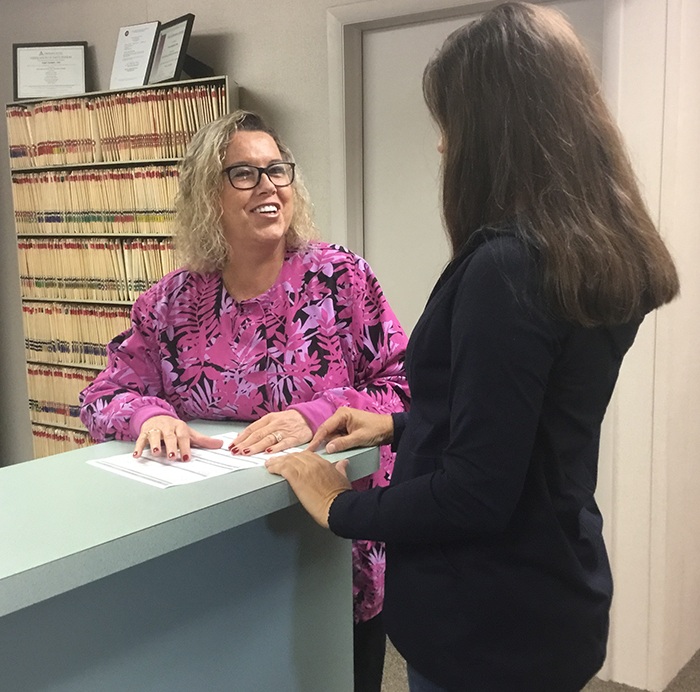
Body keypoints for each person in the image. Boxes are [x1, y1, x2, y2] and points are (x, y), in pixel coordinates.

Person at [264, 3, 681, 691]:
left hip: (487, 620)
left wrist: (339, 503)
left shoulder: (510, 265)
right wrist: (402, 422)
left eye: (450, 124)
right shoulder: (596, 250)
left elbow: (475, 493)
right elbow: (530, 415)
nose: (441, 146)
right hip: (553, 587)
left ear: (495, 129)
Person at [79, 109, 409, 692]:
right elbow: (105, 394)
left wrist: (313, 416)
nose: (268, 186)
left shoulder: (341, 279)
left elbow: (403, 386)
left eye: (277, 170)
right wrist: (152, 415)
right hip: (216, 554)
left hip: (332, 544)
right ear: (209, 195)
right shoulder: (171, 301)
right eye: (245, 174)